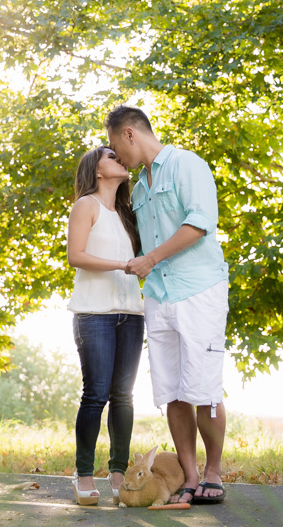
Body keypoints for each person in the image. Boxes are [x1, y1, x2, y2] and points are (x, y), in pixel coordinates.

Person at [105, 105, 230, 505]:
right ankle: (190, 476)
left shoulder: (187, 165)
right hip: (159, 297)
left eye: (115, 147)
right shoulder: (140, 187)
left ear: (129, 134)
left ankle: (213, 471)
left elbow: (198, 223)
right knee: (173, 391)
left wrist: (151, 259)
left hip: (199, 290)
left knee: (205, 388)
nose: (118, 158)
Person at [66, 146, 145, 506]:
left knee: (124, 397)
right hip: (94, 314)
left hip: (131, 314)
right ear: (97, 170)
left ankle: (118, 473)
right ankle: (84, 474)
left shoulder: (127, 214)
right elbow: (76, 256)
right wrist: (121, 265)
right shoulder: (86, 205)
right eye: (112, 156)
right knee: (96, 394)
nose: (120, 160)